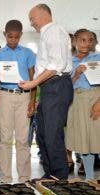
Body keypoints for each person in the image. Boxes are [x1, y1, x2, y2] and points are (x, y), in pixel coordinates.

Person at [19, 4, 73, 180]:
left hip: (57, 86)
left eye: (32, 18)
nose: (31, 23)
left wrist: (33, 82)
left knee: (52, 134)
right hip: (49, 88)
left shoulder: (54, 31)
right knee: (42, 135)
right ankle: (50, 174)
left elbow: (56, 65)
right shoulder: (46, 34)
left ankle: (59, 179)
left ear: (44, 15)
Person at [0, 20, 36, 183]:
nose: (13, 40)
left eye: (16, 37)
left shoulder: (29, 53)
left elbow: (33, 79)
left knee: (23, 139)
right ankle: (6, 177)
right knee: (5, 139)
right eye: (10, 37)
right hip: (5, 96)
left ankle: (24, 178)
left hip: (24, 96)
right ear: (5, 35)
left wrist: (32, 100)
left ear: (21, 35)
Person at [66, 29, 100, 181]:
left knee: (96, 138)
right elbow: (66, 86)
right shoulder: (68, 62)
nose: (86, 43)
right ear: (75, 42)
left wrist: (99, 103)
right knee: (84, 140)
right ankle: (90, 178)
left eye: (90, 40)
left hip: (95, 98)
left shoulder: (98, 58)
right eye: (83, 40)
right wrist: (77, 74)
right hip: (77, 101)